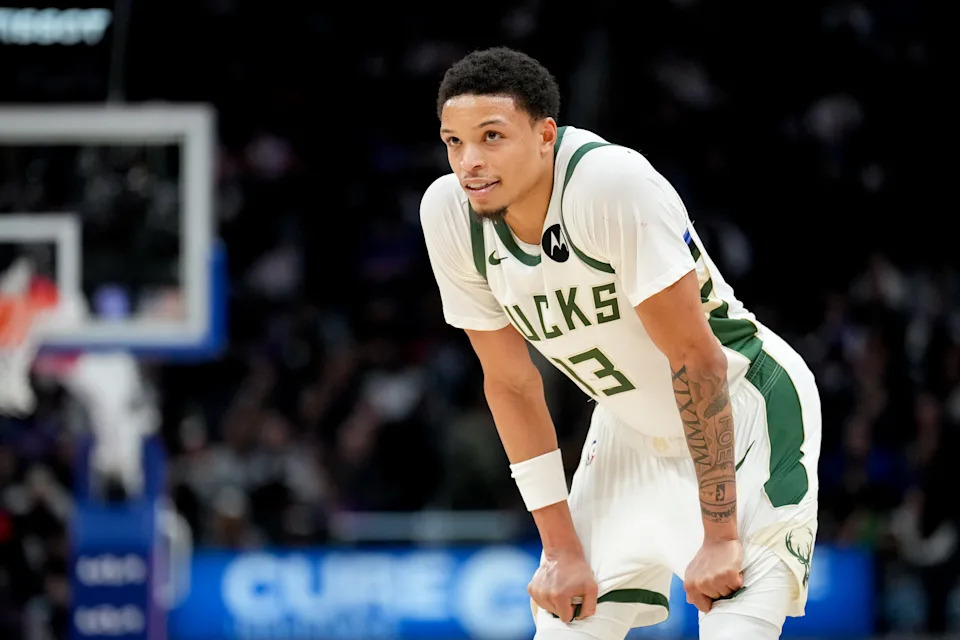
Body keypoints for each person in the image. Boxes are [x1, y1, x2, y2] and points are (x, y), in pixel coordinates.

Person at [418, 46, 821, 640]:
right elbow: (510, 383)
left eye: (491, 136)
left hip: (742, 414)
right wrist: (559, 550)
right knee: (565, 625)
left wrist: (720, 535)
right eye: (454, 142)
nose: (469, 161)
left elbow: (697, 358)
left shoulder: (610, 184)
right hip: (627, 431)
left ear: (545, 135)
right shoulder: (450, 214)